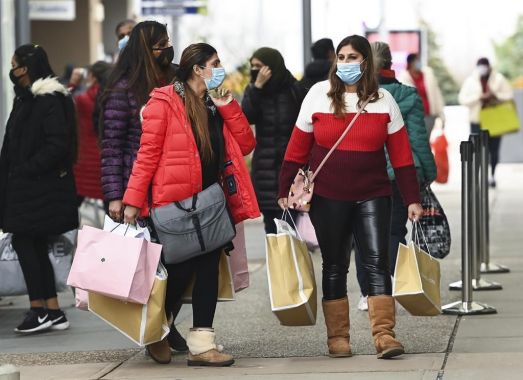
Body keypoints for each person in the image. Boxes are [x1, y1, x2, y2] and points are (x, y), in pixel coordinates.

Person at [277, 35, 423, 359]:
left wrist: (412, 198)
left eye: (352, 57)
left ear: (366, 62)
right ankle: (338, 338)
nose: (345, 63)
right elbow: (296, 147)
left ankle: (385, 335)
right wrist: (283, 190)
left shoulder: (384, 100)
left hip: (373, 193)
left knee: (376, 263)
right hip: (329, 196)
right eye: (341, 57)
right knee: (334, 265)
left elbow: (401, 157)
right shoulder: (318, 95)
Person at [122, 43, 260, 366]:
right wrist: (132, 201)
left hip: (211, 203)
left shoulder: (216, 102)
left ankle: (202, 345)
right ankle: (157, 331)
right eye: (215, 63)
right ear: (198, 69)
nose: (220, 68)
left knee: (208, 269)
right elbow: (148, 155)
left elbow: (246, 144)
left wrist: (228, 105)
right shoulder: (164, 101)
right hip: (175, 206)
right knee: (179, 274)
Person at [99, 20, 183, 357]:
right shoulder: (123, 89)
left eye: (167, 42)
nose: (167, 49)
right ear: (145, 49)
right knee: (154, 265)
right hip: (139, 191)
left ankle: (165, 322)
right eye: (160, 44)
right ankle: (155, 335)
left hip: (174, 186)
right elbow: (112, 147)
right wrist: (115, 194)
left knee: (178, 264)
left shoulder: (173, 80)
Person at [0, 44, 78, 334]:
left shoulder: (47, 99)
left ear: (27, 67)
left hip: (36, 188)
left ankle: (39, 309)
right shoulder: (28, 98)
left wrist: (24, 169)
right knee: (33, 245)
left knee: (26, 243)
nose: (13, 70)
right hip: (28, 188)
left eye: (15, 64)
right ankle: (53, 310)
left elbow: (57, 144)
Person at [353, 41, 437, 312]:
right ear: (390, 65)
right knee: (394, 231)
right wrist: (427, 172)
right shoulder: (409, 96)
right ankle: (387, 286)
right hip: (401, 176)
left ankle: (368, 293)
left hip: (365, 174)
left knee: (362, 235)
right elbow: (418, 140)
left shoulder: (358, 95)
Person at [242, 47, 304, 234]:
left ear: (272, 67)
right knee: (272, 230)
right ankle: (277, 264)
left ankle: (294, 264)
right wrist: (257, 88)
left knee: (293, 228)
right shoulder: (254, 91)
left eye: (259, 66)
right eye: (252, 66)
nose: (255, 70)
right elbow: (246, 117)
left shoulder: (294, 90)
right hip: (265, 170)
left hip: (292, 168)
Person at [458, 58, 513, 187]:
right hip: (477, 120)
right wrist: (479, 97)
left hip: (495, 120)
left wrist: (495, 96)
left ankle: (492, 175)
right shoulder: (470, 81)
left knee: (494, 149)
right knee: (477, 150)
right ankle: (478, 177)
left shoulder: (499, 79)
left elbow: (509, 95)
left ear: (489, 66)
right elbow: (463, 99)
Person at [73, 61, 112, 204]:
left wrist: (73, 84)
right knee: (110, 210)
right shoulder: (113, 98)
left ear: (94, 77)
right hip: (107, 162)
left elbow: (62, 106)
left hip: (84, 162)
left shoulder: (81, 100)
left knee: (73, 204)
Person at [399, 53, 445, 137]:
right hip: (414, 118)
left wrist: (441, 113)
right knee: (417, 143)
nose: (419, 63)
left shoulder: (428, 75)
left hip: (430, 115)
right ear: (411, 63)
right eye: (417, 60)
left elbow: (436, 95)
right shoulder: (403, 78)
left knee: (426, 141)